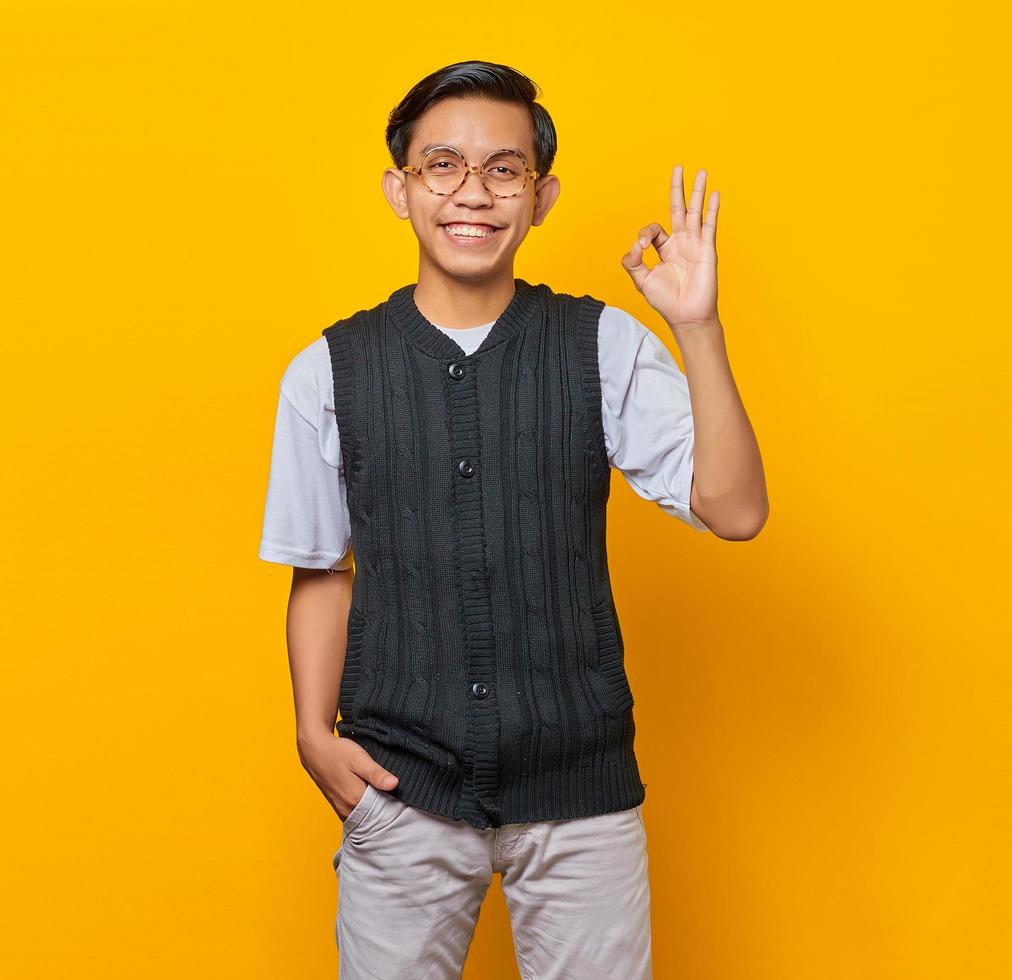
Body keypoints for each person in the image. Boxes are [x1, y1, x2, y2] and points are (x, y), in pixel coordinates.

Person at [257, 60, 768, 979]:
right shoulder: (326, 370)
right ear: (398, 188)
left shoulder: (600, 344)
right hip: (399, 793)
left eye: (505, 170)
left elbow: (734, 510)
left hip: (584, 802)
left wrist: (698, 327)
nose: (473, 193)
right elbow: (319, 568)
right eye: (442, 165)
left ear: (541, 197)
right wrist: (311, 735)